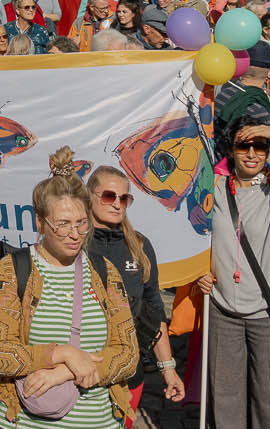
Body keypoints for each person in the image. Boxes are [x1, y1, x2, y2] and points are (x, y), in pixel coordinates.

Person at [0, 147, 134, 429]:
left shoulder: (105, 273)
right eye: (62, 224)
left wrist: (64, 372)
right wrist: (60, 353)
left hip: (97, 421)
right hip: (25, 422)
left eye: (81, 224)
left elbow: (128, 354)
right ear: (39, 221)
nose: (75, 234)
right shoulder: (12, 270)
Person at [196, 115, 270, 429]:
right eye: (245, 146)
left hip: (269, 310)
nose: (253, 153)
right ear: (230, 150)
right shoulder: (214, 189)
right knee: (225, 398)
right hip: (223, 307)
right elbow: (195, 236)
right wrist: (199, 272)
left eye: (260, 146)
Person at [84, 163, 180, 416]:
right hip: (82, 374)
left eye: (124, 198)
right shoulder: (74, 242)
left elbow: (154, 309)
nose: (117, 204)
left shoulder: (139, 246)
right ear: (89, 196)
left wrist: (168, 368)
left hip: (129, 373)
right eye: (108, 196)